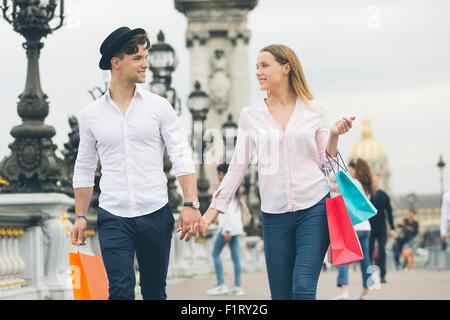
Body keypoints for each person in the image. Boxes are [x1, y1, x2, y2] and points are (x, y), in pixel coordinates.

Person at [184, 44, 356, 300]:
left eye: (265, 65)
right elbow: (236, 169)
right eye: (256, 67)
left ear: (286, 68)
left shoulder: (315, 111)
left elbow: (326, 164)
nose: (258, 72)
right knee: (281, 294)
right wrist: (210, 214)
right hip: (274, 215)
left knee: (302, 289)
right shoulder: (250, 116)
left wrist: (333, 136)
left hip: (314, 208)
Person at [70, 27, 202, 300]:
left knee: (154, 292)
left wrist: (190, 203)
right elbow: (84, 165)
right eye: (138, 58)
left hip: (155, 212)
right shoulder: (91, 115)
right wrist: (80, 216)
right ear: (116, 62)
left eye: (146, 56)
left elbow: (180, 153)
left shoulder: (159, 107)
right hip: (113, 215)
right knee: (119, 291)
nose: (146, 64)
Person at [333, 158, 375, 300]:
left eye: (351, 168)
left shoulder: (353, 183)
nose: (348, 171)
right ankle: (366, 291)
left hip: (353, 225)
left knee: (344, 257)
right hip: (366, 227)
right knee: (366, 260)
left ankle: (344, 291)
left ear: (356, 170)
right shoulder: (367, 186)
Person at [206, 164, 245, 296]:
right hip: (234, 229)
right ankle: (237, 286)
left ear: (223, 174)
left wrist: (227, 229)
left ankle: (221, 284)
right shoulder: (234, 189)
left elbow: (228, 212)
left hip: (227, 230)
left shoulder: (226, 189)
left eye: (219, 174)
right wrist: (218, 219)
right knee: (236, 258)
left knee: (215, 254)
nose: (218, 176)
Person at [369, 176, 395, 283]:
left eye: (376, 181)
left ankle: (382, 275)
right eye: (373, 181)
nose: (374, 183)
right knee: (369, 251)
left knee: (382, 251)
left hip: (382, 228)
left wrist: (392, 227)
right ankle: (370, 275)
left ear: (378, 182)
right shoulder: (366, 195)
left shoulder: (384, 195)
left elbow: (389, 212)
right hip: (369, 227)